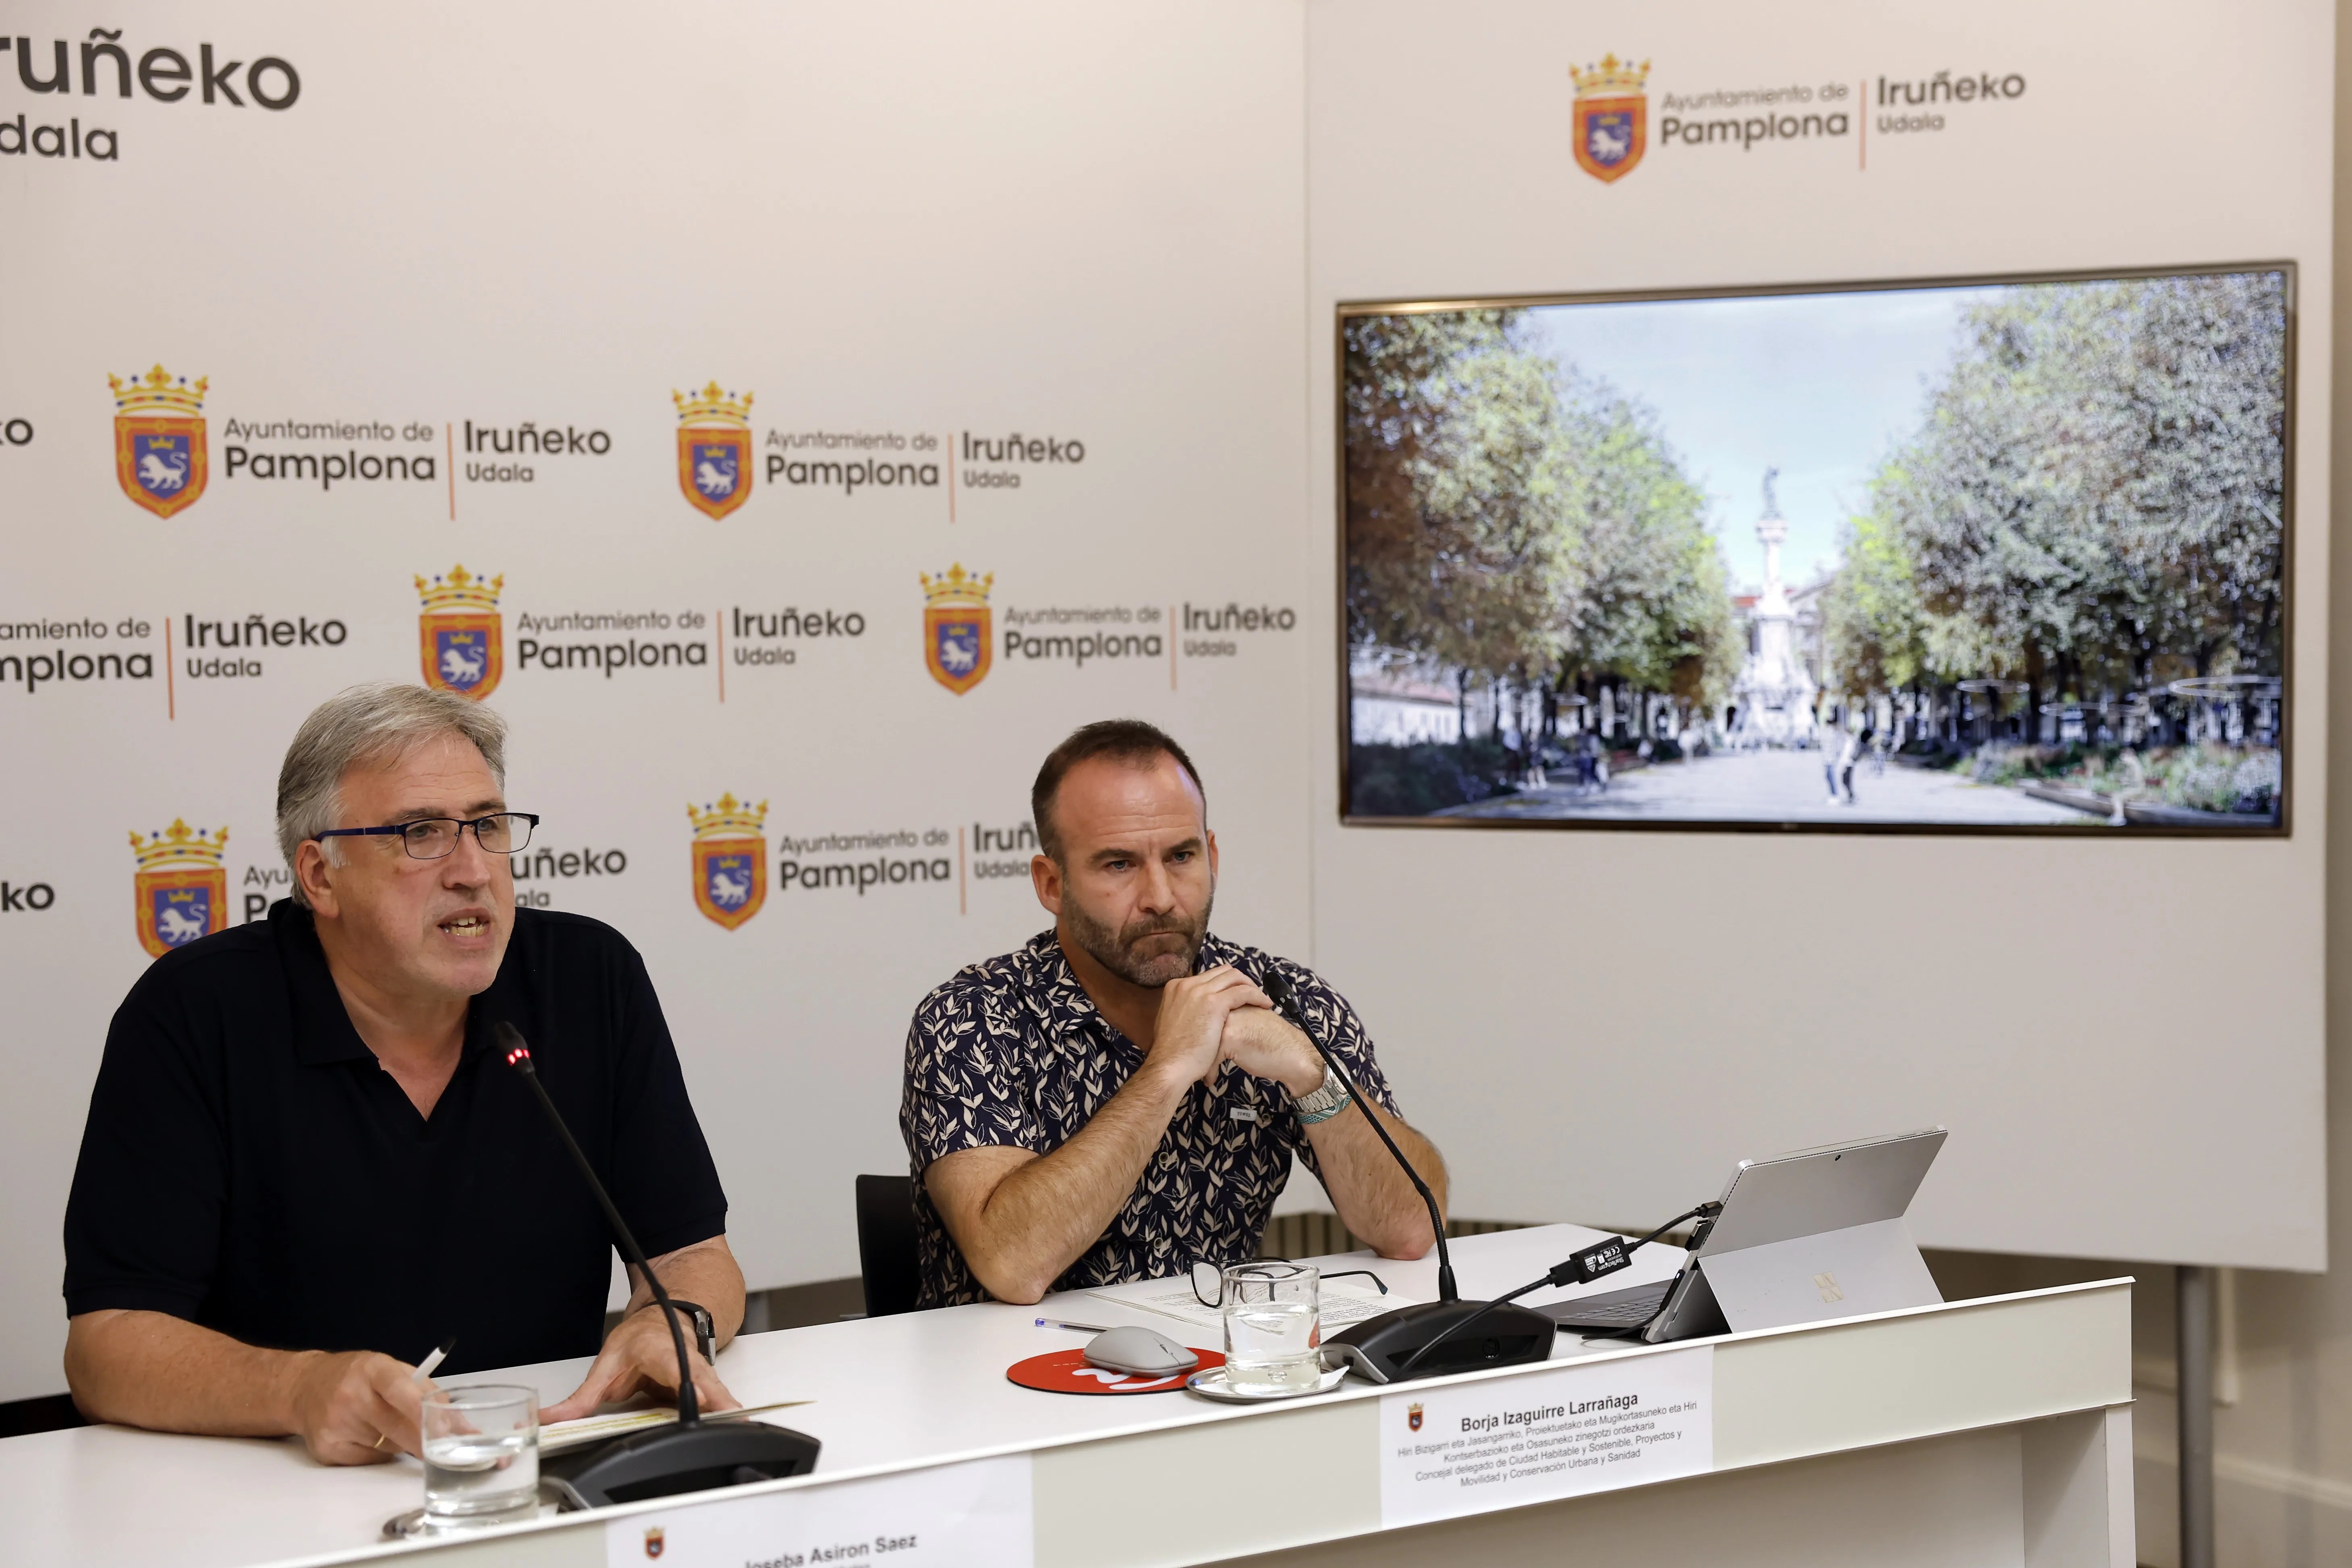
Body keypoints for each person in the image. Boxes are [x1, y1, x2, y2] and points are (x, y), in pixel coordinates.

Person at [63, 684, 746, 1464]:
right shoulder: (193, 1012)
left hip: (539, 1460)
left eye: (488, 826)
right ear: (320, 876)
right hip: (272, 1483)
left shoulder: (589, 978)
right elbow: (105, 1346)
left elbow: (691, 1252)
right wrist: (298, 1387)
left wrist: (675, 1319)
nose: (472, 870)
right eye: (421, 833)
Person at [900, 719, 1446, 1307]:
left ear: (1211, 855)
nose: (1160, 897)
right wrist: (1166, 1070)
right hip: (1015, 1379)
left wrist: (1313, 1074)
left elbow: (1413, 1229)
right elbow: (1012, 1266)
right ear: (1051, 883)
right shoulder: (972, 1020)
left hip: (1221, 1374)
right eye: (1118, 865)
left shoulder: (1282, 998)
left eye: (1181, 856)